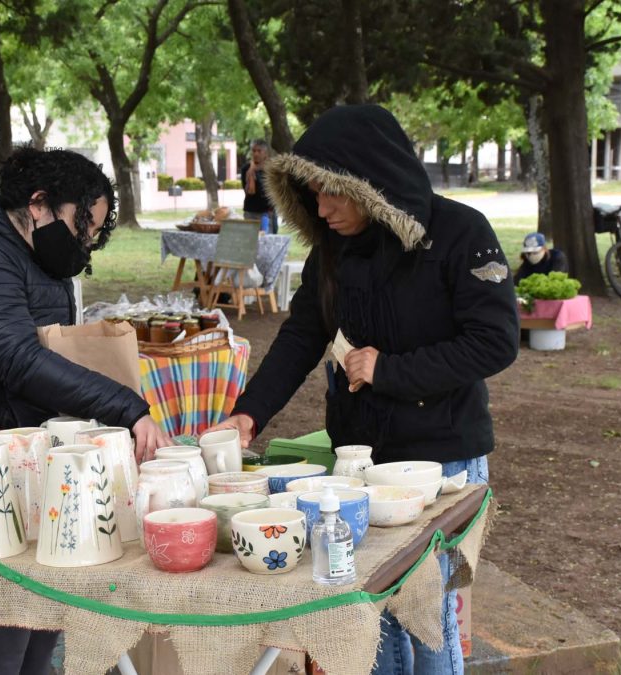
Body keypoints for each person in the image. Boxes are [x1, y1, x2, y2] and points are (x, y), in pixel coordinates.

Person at [207, 105, 519, 674]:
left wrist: (389, 370)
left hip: (441, 459)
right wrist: (249, 414)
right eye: (312, 195)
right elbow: (302, 335)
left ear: (372, 185)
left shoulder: (461, 233)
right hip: (360, 459)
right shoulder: (333, 248)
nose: (321, 210)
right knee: (370, 608)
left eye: (333, 194)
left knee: (427, 613)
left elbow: (495, 343)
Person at [0, 145, 173, 675]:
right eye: (84, 226)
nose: (87, 242)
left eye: (95, 233)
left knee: (37, 655)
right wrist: (126, 407)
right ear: (39, 204)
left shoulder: (25, 254)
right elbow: (18, 359)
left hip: (26, 473)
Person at [240, 139, 278, 233]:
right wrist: (251, 172)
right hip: (250, 212)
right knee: (249, 242)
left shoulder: (272, 169)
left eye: (259, 151)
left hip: (267, 213)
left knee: (267, 241)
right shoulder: (246, 169)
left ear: (265, 153)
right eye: (254, 151)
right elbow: (247, 191)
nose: (256, 154)